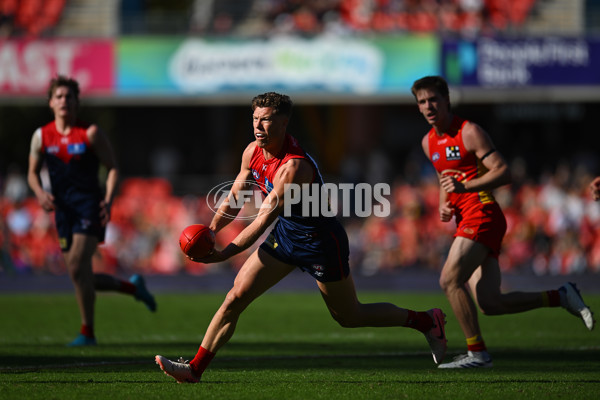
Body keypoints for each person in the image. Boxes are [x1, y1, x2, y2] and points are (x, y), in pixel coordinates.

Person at [155, 92, 448, 383]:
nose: (258, 126)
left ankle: (425, 320)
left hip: (321, 243)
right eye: (255, 119)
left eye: (266, 120)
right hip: (286, 236)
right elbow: (235, 196)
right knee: (235, 297)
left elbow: (261, 220)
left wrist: (223, 254)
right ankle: (194, 369)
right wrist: (212, 230)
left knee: (349, 316)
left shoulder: (294, 168)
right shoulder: (252, 151)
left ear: (284, 123)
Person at [411, 75, 595, 368]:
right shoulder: (427, 142)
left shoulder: (469, 131)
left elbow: (504, 172)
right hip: (466, 218)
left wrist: (465, 188)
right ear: (418, 108)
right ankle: (561, 296)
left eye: (433, 99)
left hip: (482, 212)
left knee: (449, 280)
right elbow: (444, 178)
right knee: (489, 303)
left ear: (446, 100)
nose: (428, 105)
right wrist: (446, 204)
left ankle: (478, 354)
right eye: (422, 101)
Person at [27, 75, 156, 347]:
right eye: (59, 96)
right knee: (80, 274)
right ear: (50, 102)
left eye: (69, 96)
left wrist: (108, 201)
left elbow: (112, 168)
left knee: (76, 266)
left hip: (89, 206)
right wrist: (39, 194)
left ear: (77, 102)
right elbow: (31, 174)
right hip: (62, 210)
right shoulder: (41, 136)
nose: (64, 101)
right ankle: (133, 288)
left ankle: (88, 333)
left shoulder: (90, 133)